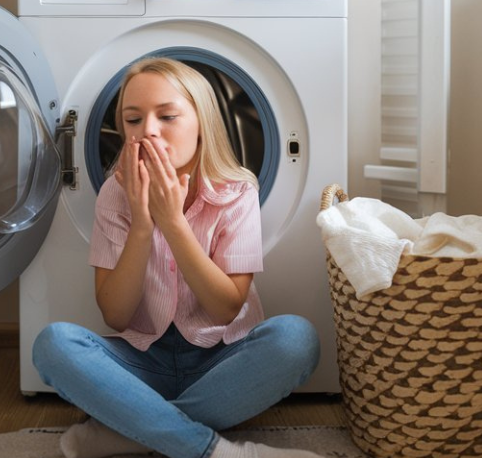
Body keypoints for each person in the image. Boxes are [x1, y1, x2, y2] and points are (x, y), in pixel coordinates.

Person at [33, 57, 323, 458]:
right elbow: (115, 316)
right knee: (53, 344)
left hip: (220, 364)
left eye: (167, 116)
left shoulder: (237, 193)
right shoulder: (116, 197)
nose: (148, 130)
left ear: (202, 123)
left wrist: (171, 221)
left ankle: (131, 431)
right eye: (133, 120)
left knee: (297, 339)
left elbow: (224, 308)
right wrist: (141, 224)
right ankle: (213, 450)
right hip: (141, 364)